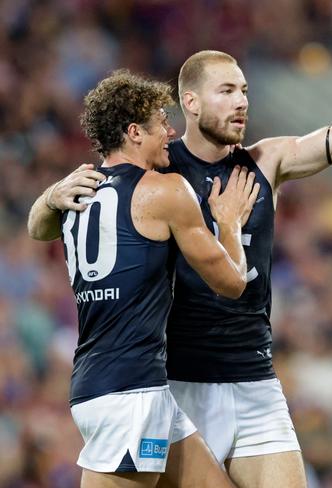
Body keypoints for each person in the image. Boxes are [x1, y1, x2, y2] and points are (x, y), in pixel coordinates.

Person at [27, 23, 332, 488]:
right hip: (177, 385)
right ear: (191, 102)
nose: (242, 100)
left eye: (244, 90)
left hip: (254, 381)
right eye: (226, 90)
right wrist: (50, 197)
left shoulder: (267, 161)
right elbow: (53, 223)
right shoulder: (157, 173)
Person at [27, 69, 261, 487]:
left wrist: (47, 196)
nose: (170, 132)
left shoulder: (76, 192)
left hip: (116, 382)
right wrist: (227, 222)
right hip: (130, 391)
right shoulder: (165, 190)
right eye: (160, 123)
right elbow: (233, 282)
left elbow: (36, 228)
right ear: (135, 132)